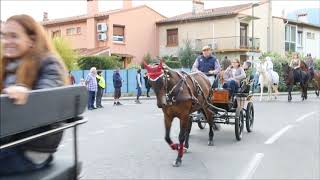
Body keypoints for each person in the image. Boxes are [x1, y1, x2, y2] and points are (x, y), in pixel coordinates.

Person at [0, 14, 69, 175]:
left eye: (14, 36)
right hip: (10, 143)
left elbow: (47, 95)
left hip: (30, 149)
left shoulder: (49, 62)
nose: (6, 41)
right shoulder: (8, 64)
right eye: (4, 36)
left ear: (31, 40)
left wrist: (27, 93)